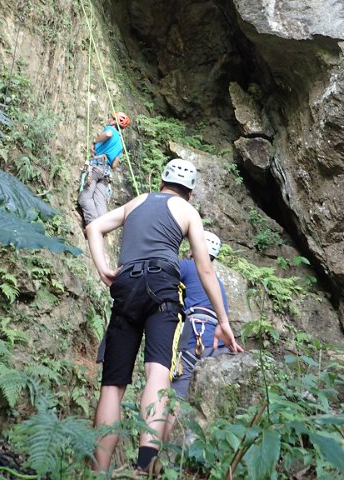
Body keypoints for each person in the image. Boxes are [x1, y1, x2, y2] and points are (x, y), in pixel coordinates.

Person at [86, 159, 242, 475]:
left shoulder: (136, 202)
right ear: (190, 193)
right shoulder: (187, 211)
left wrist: (103, 268)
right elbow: (204, 269)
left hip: (126, 285)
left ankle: (98, 472)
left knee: (112, 385)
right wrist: (223, 321)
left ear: (161, 183)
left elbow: (94, 227)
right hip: (161, 286)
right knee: (157, 374)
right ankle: (143, 468)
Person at [162, 230, 233, 443]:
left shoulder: (188, 266)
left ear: (195, 248)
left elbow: (163, 271)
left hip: (195, 336)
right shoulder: (217, 282)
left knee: (176, 396)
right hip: (217, 343)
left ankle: (159, 452)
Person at [78, 112, 130, 227]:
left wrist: (94, 141)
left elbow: (108, 133)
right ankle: (103, 227)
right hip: (106, 173)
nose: (109, 119)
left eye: (111, 118)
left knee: (85, 198)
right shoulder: (120, 144)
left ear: (114, 121)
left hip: (96, 166)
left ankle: (93, 225)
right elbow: (114, 165)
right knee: (100, 201)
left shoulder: (111, 129)